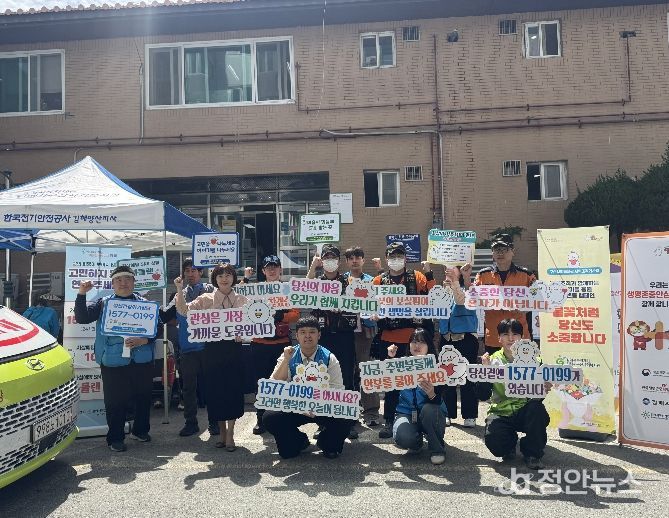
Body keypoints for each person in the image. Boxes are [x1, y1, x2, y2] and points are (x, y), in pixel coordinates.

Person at [74, 265, 157, 452]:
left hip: (141, 359)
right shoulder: (103, 303)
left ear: (134, 282)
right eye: (118, 279)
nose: (123, 283)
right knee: (115, 401)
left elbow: (157, 328)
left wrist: (144, 340)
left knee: (143, 397)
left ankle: (140, 431)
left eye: (127, 279)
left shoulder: (145, 304)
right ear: (112, 284)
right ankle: (116, 438)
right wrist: (82, 293)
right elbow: (82, 317)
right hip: (113, 360)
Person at [175, 263, 247, 452]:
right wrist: (179, 289)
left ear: (233, 277)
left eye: (228, 275)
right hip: (212, 351)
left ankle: (230, 434)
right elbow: (183, 311)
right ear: (215, 279)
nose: (224, 278)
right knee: (215, 392)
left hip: (234, 350)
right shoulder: (205, 299)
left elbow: (253, 323)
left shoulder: (242, 299)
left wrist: (244, 332)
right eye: (220, 275)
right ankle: (221, 432)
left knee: (232, 391)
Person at [262, 316, 354, 459]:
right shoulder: (288, 355)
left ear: (319, 335)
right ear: (296, 335)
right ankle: (299, 441)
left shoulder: (329, 358)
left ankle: (326, 442)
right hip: (295, 405)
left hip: (323, 405)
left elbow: (337, 391)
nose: (307, 336)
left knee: (346, 413)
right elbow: (274, 384)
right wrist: (286, 361)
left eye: (312, 332)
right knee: (271, 417)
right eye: (303, 332)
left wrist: (316, 405)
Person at [372, 241, 436, 439]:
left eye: (399, 256)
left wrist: (430, 274)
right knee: (391, 383)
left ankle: (422, 420)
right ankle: (389, 420)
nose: (396, 259)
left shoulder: (417, 277)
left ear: (406, 258)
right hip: (388, 339)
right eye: (392, 256)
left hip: (414, 341)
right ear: (386, 259)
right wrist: (372, 313)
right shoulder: (378, 281)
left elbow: (433, 297)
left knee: (419, 381)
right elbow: (369, 305)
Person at [476, 319, 551, 470]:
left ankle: (532, 453)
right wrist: (485, 373)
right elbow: (483, 395)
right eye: (505, 334)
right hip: (500, 411)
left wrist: (544, 388)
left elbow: (538, 396)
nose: (510, 338)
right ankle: (509, 444)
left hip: (525, 409)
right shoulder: (492, 360)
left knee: (537, 409)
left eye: (515, 334)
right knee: (496, 445)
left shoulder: (536, 360)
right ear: (499, 338)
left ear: (522, 337)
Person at [160, 258, 218, 437]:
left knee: (211, 386)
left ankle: (215, 422)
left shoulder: (212, 290)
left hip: (209, 347)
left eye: (194, 270)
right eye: (187, 271)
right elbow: (165, 316)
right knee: (188, 388)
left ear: (201, 273)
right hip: (187, 348)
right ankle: (190, 423)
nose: (190, 274)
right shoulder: (179, 294)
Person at [307, 244, 359, 439]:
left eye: (333, 258)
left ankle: (349, 422)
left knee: (346, 378)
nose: (330, 261)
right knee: (322, 378)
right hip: (323, 336)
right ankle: (323, 422)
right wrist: (313, 266)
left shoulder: (349, 281)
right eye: (327, 258)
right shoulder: (317, 281)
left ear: (339, 261)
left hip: (344, 335)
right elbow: (301, 292)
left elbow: (360, 303)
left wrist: (343, 307)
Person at [249, 254, 300, 435]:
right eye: (268, 267)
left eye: (275, 266)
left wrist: (280, 315)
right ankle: (261, 418)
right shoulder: (255, 290)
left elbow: (296, 314)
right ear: (263, 271)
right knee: (261, 382)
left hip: (281, 343)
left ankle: (281, 417)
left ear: (280, 269)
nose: (271, 270)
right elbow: (244, 309)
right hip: (259, 343)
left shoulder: (287, 289)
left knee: (283, 381)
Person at [387, 328, 448, 465]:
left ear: (429, 346)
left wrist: (432, 393)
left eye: (422, 342)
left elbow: (439, 400)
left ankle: (437, 449)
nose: (417, 345)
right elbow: (388, 390)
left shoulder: (437, 368)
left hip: (430, 412)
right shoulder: (400, 365)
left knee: (430, 410)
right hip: (406, 413)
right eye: (414, 341)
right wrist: (390, 359)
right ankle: (416, 443)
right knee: (403, 437)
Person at [474, 233, 536, 355]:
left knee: (521, 367)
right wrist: (465, 278)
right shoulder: (483, 275)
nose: (500, 253)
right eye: (497, 250)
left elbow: (538, 299)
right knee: (494, 367)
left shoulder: (526, 275)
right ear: (492, 253)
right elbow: (472, 297)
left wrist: (525, 309)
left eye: (504, 249)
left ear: (513, 251)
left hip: (520, 338)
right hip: (494, 337)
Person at [343, 245, 381, 429]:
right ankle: (350, 410)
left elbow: (382, 301)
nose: (355, 261)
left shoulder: (372, 281)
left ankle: (371, 411)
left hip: (366, 332)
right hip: (344, 332)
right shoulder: (341, 280)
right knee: (347, 371)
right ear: (346, 261)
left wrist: (377, 313)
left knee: (366, 370)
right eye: (351, 258)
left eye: (358, 257)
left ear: (363, 260)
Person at [440, 263, 479, 428]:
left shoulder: (470, 289)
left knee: (468, 378)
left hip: (466, 338)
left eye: (453, 269)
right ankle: (447, 413)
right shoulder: (442, 291)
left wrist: (456, 283)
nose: (448, 271)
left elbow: (461, 300)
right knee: (446, 377)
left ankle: (470, 415)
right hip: (446, 338)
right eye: (447, 269)